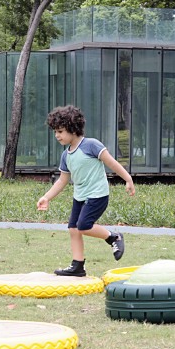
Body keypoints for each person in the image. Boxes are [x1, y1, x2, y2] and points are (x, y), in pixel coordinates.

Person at [37, 105, 136, 277]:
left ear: (73, 128)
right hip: (80, 196)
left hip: (97, 195)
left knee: (83, 226)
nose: (57, 135)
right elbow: (62, 180)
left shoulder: (91, 145)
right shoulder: (66, 155)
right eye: (55, 132)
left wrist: (128, 179)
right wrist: (46, 197)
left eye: (60, 131)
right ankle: (78, 266)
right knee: (73, 228)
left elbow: (112, 163)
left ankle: (114, 237)